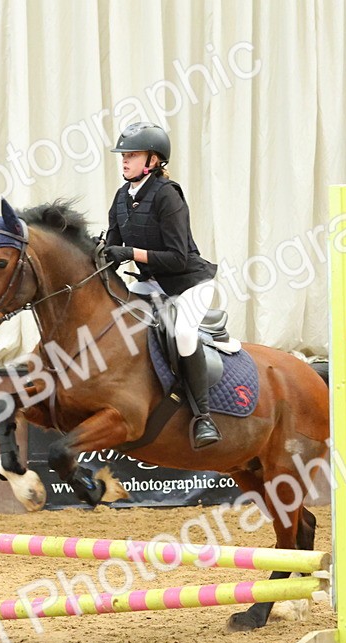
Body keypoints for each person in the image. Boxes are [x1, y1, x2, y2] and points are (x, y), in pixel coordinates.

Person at [104, 122, 222, 449]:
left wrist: (130, 253)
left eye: (132, 154)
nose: (124, 160)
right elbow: (112, 247)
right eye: (123, 155)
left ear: (153, 161)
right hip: (151, 285)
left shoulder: (168, 196)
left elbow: (177, 258)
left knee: (183, 333)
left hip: (188, 284)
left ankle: (203, 417)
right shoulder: (121, 198)